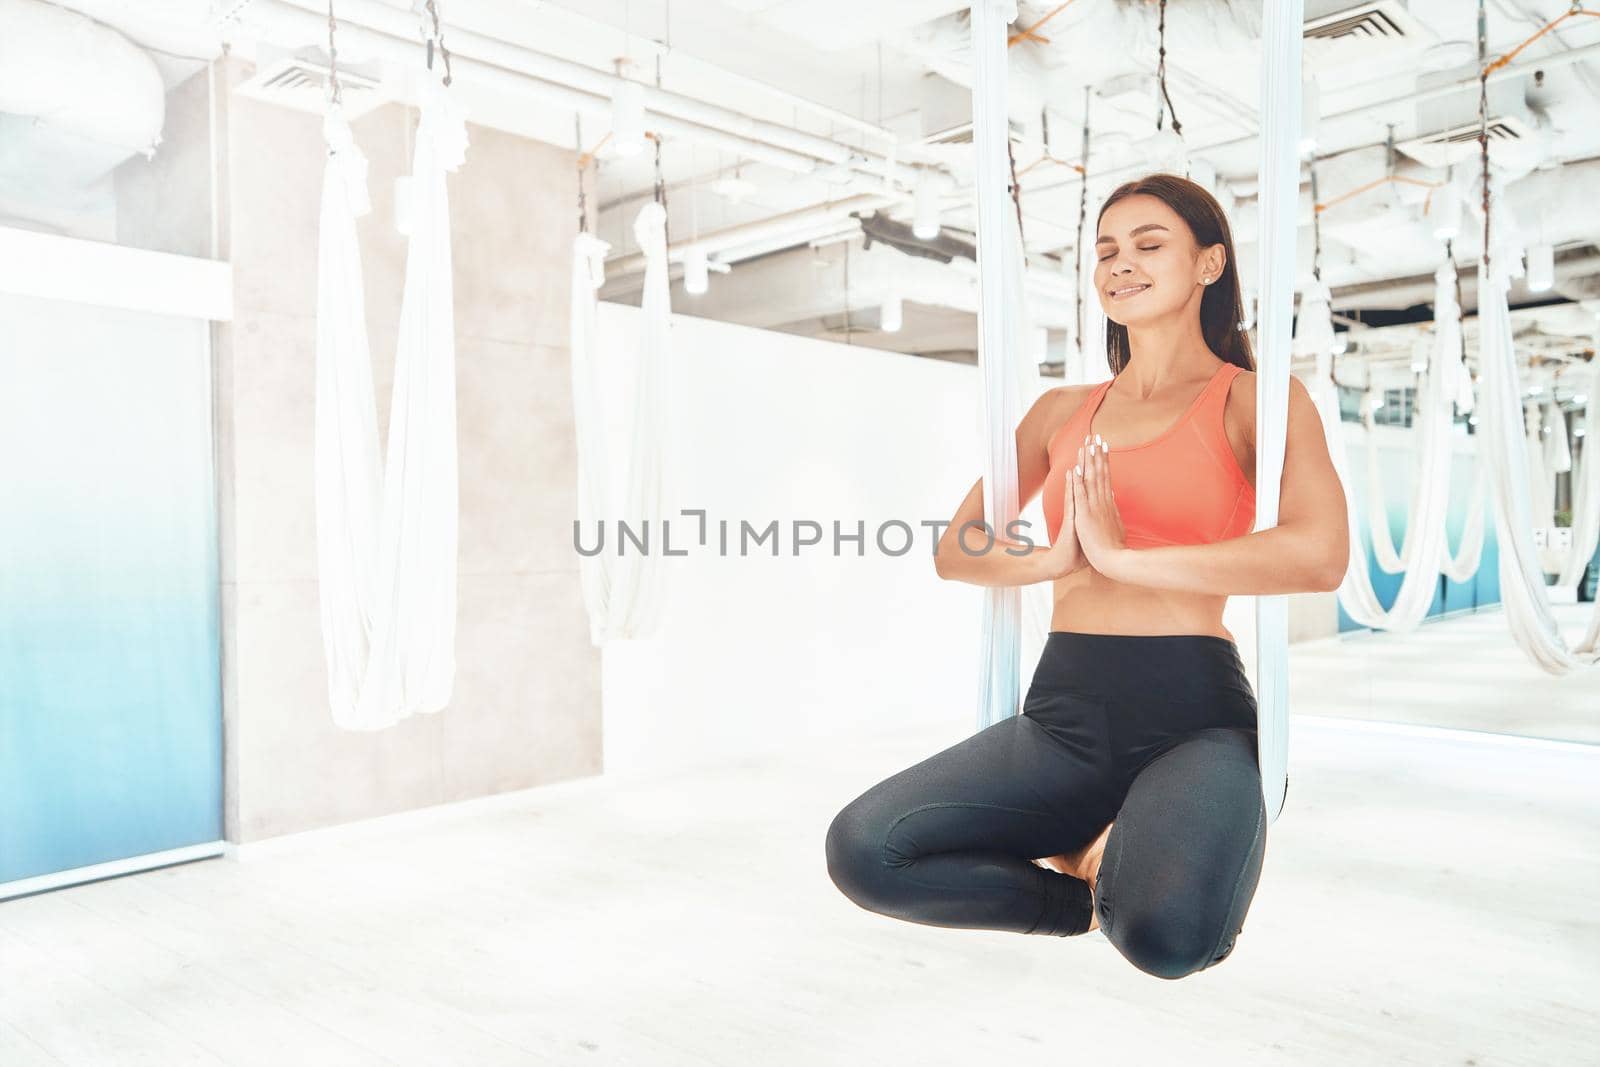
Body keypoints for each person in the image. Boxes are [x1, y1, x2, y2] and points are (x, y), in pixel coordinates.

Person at [824, 173, 1349, 979]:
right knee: (865, 851)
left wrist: (1128, 560)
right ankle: (1089, 890)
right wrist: (1056, 559)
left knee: (1170, 942)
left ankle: (1127, 870)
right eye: (1106, 250)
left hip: (1193, 717)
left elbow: (1319, 554)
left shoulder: (1258, 401)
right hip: (1063, 715)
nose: (1120, 264)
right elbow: (955, 550)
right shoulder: (1057, 412)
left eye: (1148, 244)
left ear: (1210, 264)